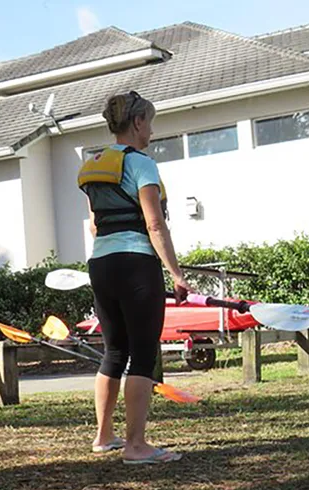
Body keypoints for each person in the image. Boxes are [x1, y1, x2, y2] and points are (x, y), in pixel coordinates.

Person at [78, 90, 191, 464]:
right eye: (151, 123)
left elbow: (96, 225)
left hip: (101, 264)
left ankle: (103, 436)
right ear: (138, 122)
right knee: (142, 354)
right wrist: (176, 273)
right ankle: (136, 446)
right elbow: (154, 224)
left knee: (113, 352)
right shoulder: (142, 164)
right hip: (136, 263)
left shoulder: (94, 166)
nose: (152, 132)